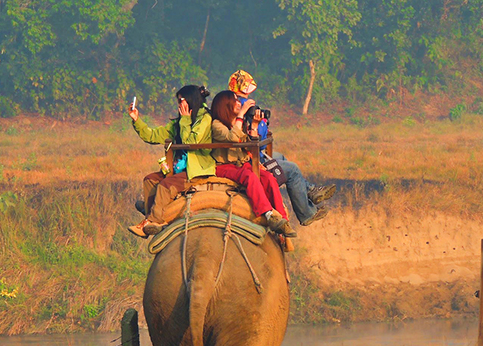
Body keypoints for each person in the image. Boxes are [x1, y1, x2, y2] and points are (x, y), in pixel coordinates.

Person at [227, 70, 335, 226]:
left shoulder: (230, 104)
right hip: (247, 158)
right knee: (292, 170)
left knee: (280, 157)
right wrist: (258, 123)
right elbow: (258, 139)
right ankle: (307, 213)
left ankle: (310, 190)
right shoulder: (241, 108)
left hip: (249, 153)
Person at [127, 85, 214, 237]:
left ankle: (153, 221)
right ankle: (151, 212)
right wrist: (136, 120)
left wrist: (186, 120)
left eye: (181, 101)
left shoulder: (205, 119)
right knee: (149, 180)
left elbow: (191, 142)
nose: (179, 105)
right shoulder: (179, 123)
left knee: (166, 186)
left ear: (190, 101)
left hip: (196, 169)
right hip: (178, 168)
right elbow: (153, 136)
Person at [210, 90, 296, 237]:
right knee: (249, 177)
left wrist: (254, 126)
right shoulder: (217, 125)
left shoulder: (238, 123)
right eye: (235, 101)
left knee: (268, 178)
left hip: (242, 164)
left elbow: (250, 146)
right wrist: (241, 115)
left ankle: (282, 220)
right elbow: (232, 138)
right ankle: (268, 213)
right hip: (224, 166)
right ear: (225, 105)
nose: (239, 104)